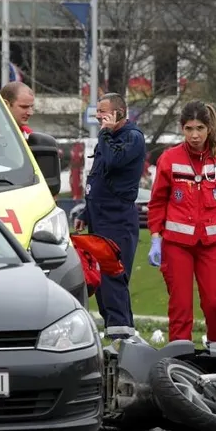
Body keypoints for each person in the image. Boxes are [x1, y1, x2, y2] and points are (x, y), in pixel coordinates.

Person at [146, 101, 216, 343]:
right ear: (182, 129)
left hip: (210, 245)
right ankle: (180, 358)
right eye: (189, 128)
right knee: (180, 306)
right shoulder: (169, 159)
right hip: (176, 245)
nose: (195, 135)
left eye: (200, 128)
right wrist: (155, 239)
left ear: (209, 128)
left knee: (215, 302)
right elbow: (157, 203)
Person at [81, 92, 146, 338]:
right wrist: (87, 213)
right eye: (98, 112)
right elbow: (99, 177)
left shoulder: (132, 138)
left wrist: (106, 133)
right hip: (98, 217)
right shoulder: (107, 138)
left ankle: (121, 334)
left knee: (113, 275)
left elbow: (114, 162)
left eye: (103, 112)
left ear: (118, 112)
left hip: (117, 219)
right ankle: (113, 328)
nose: (98, 116)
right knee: (99, 277)